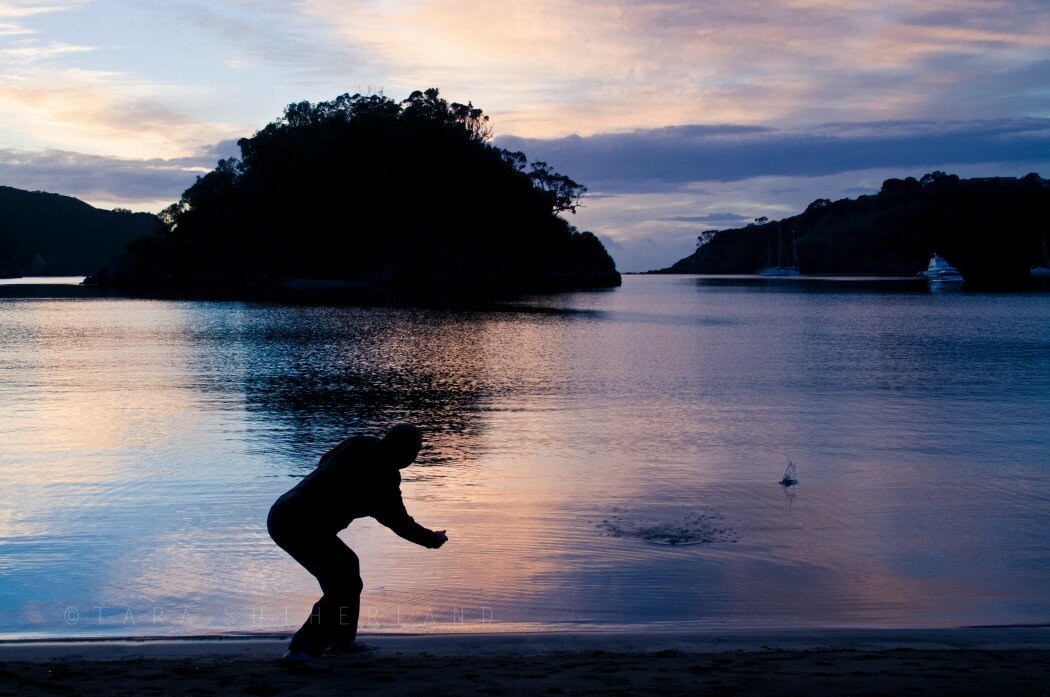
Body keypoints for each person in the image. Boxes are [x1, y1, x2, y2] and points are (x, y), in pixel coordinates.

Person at [267, 424, 448, 666]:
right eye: (414, 451)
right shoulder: (384, 479)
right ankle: (301, 650)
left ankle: (342, 640)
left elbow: (325, 459)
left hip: (284, 511)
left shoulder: (361, 443)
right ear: (403, 450)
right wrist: (432, 539)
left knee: (347, 571)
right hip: (298, 524)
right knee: (342, 584)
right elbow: (401, 523)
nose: (413, 458)